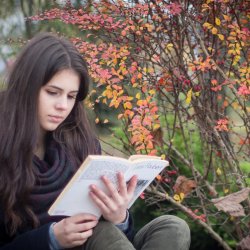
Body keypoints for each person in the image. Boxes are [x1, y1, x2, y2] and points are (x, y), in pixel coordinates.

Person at [0, 32, 191, 250]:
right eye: (53, 92)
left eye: (71, 96)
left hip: (98, 242)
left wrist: (119, 217)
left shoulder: (79, 141)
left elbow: (119, 236)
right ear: (27, 87)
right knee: (102, 232)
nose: (63, 105)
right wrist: (51, 238)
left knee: (172, 226)